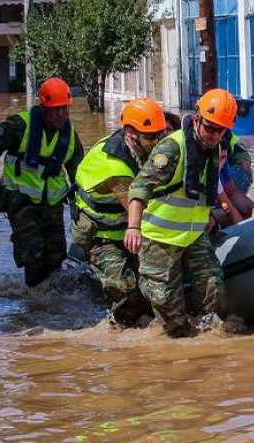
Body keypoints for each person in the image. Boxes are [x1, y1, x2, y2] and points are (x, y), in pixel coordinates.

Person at [124, 88, 236, 339]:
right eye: (210, 127)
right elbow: (139, 187)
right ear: (197, 118)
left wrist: (207, 216)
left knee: (214, 289)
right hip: (159, 239)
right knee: (170, 312)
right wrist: (133, 227)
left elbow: (204, 188)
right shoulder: (172, 149)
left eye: (221, 130)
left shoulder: (215, 148)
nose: (214, 135)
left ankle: (217, 342)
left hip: (193, 235)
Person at [0, 77, 85, 287]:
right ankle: (32, 305)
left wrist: (81, 213)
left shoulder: (70, 137)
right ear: (44, 108)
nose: (61, 114)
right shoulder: (17, 126)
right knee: (33, 252)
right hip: (19, 199)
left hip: (51, 204)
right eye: (56, 109)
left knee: (56, 257)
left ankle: (51, 308)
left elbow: (80, 177)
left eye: (65, 109)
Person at [72, 98, 166, 329]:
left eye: (160, 135)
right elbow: (142, 209)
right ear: (130, 133)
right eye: (151, 136)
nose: (157, 142)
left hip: (124, 231)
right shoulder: (115, 168)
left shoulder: (140, 147)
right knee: (126, 289)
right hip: (101, 238)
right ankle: (121, 330)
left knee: (150, 289)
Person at [212, 145, 254, 228]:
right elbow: (227, 206)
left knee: (251, 212)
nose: (219, 164)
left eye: (223, 158)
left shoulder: (222, 164)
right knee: (230, 215)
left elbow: (232, 192)